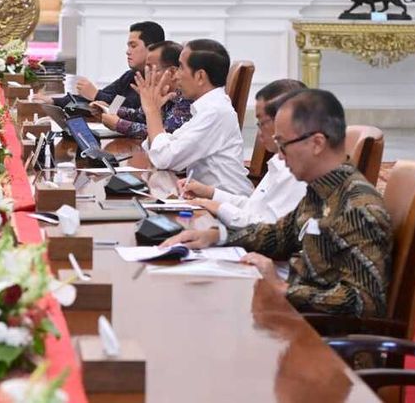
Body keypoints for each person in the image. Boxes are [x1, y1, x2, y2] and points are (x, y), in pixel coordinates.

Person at [165, 89, 393, 318]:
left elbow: (365, 302)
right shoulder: (322, 189)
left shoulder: (357, 207)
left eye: (283, 145)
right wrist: (216, 237)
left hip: (323, 339)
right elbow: (278, 235)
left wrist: (284, 289)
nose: (280, 156)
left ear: (316, 143)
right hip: (294, 316)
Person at [180, 79, 307, 227]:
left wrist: (219, 208)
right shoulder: (280, 161)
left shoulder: (295, 170)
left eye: (263, 123)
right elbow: (254, 207)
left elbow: (267, 229)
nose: (259, 133)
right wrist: (209, 193)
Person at [136, 39, 253, 196]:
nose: (176, 75)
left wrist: (152, 111)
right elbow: (160, 146)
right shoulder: (206, 108)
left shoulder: (215, 112)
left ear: (200, 76)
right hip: (205, 199)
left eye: (181, 68)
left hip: (226, 207)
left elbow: (164, 158)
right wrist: (156, 111)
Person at [32, 21, 165, 110]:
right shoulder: (131, 76)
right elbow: (103, 97)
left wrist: (96, 95)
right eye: (128, 46)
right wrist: (53, 102)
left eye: (133, 45)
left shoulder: (159, 81)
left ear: (151, 48)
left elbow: (132, 109)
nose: (127, 51)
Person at [93, 40, 192, 139]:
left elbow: (164, 135)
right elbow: (139, 115)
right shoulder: (161, 93)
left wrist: (119, 125)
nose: (146, 75)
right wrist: (108, 109)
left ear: (173, 72)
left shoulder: (187, 98)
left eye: (151, 69)